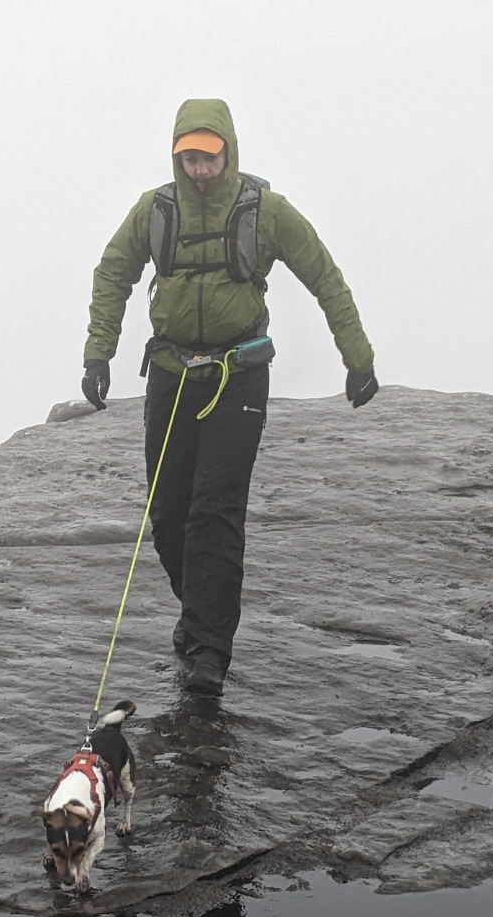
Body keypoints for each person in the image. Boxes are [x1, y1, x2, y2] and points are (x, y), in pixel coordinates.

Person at [82, 99, 377, 696]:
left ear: (228, 152)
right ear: (175, 154)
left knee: (213, 512)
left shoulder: (265, 210)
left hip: (236, 376)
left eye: (208, 157)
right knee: (167, 516)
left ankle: (209, 652)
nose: (198, 169)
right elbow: (114, 272)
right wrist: (98, 351)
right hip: (170, 374)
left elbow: (324, 275)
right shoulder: (154, 210)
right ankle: (199, 617)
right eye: (188, 157)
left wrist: (358, 358)